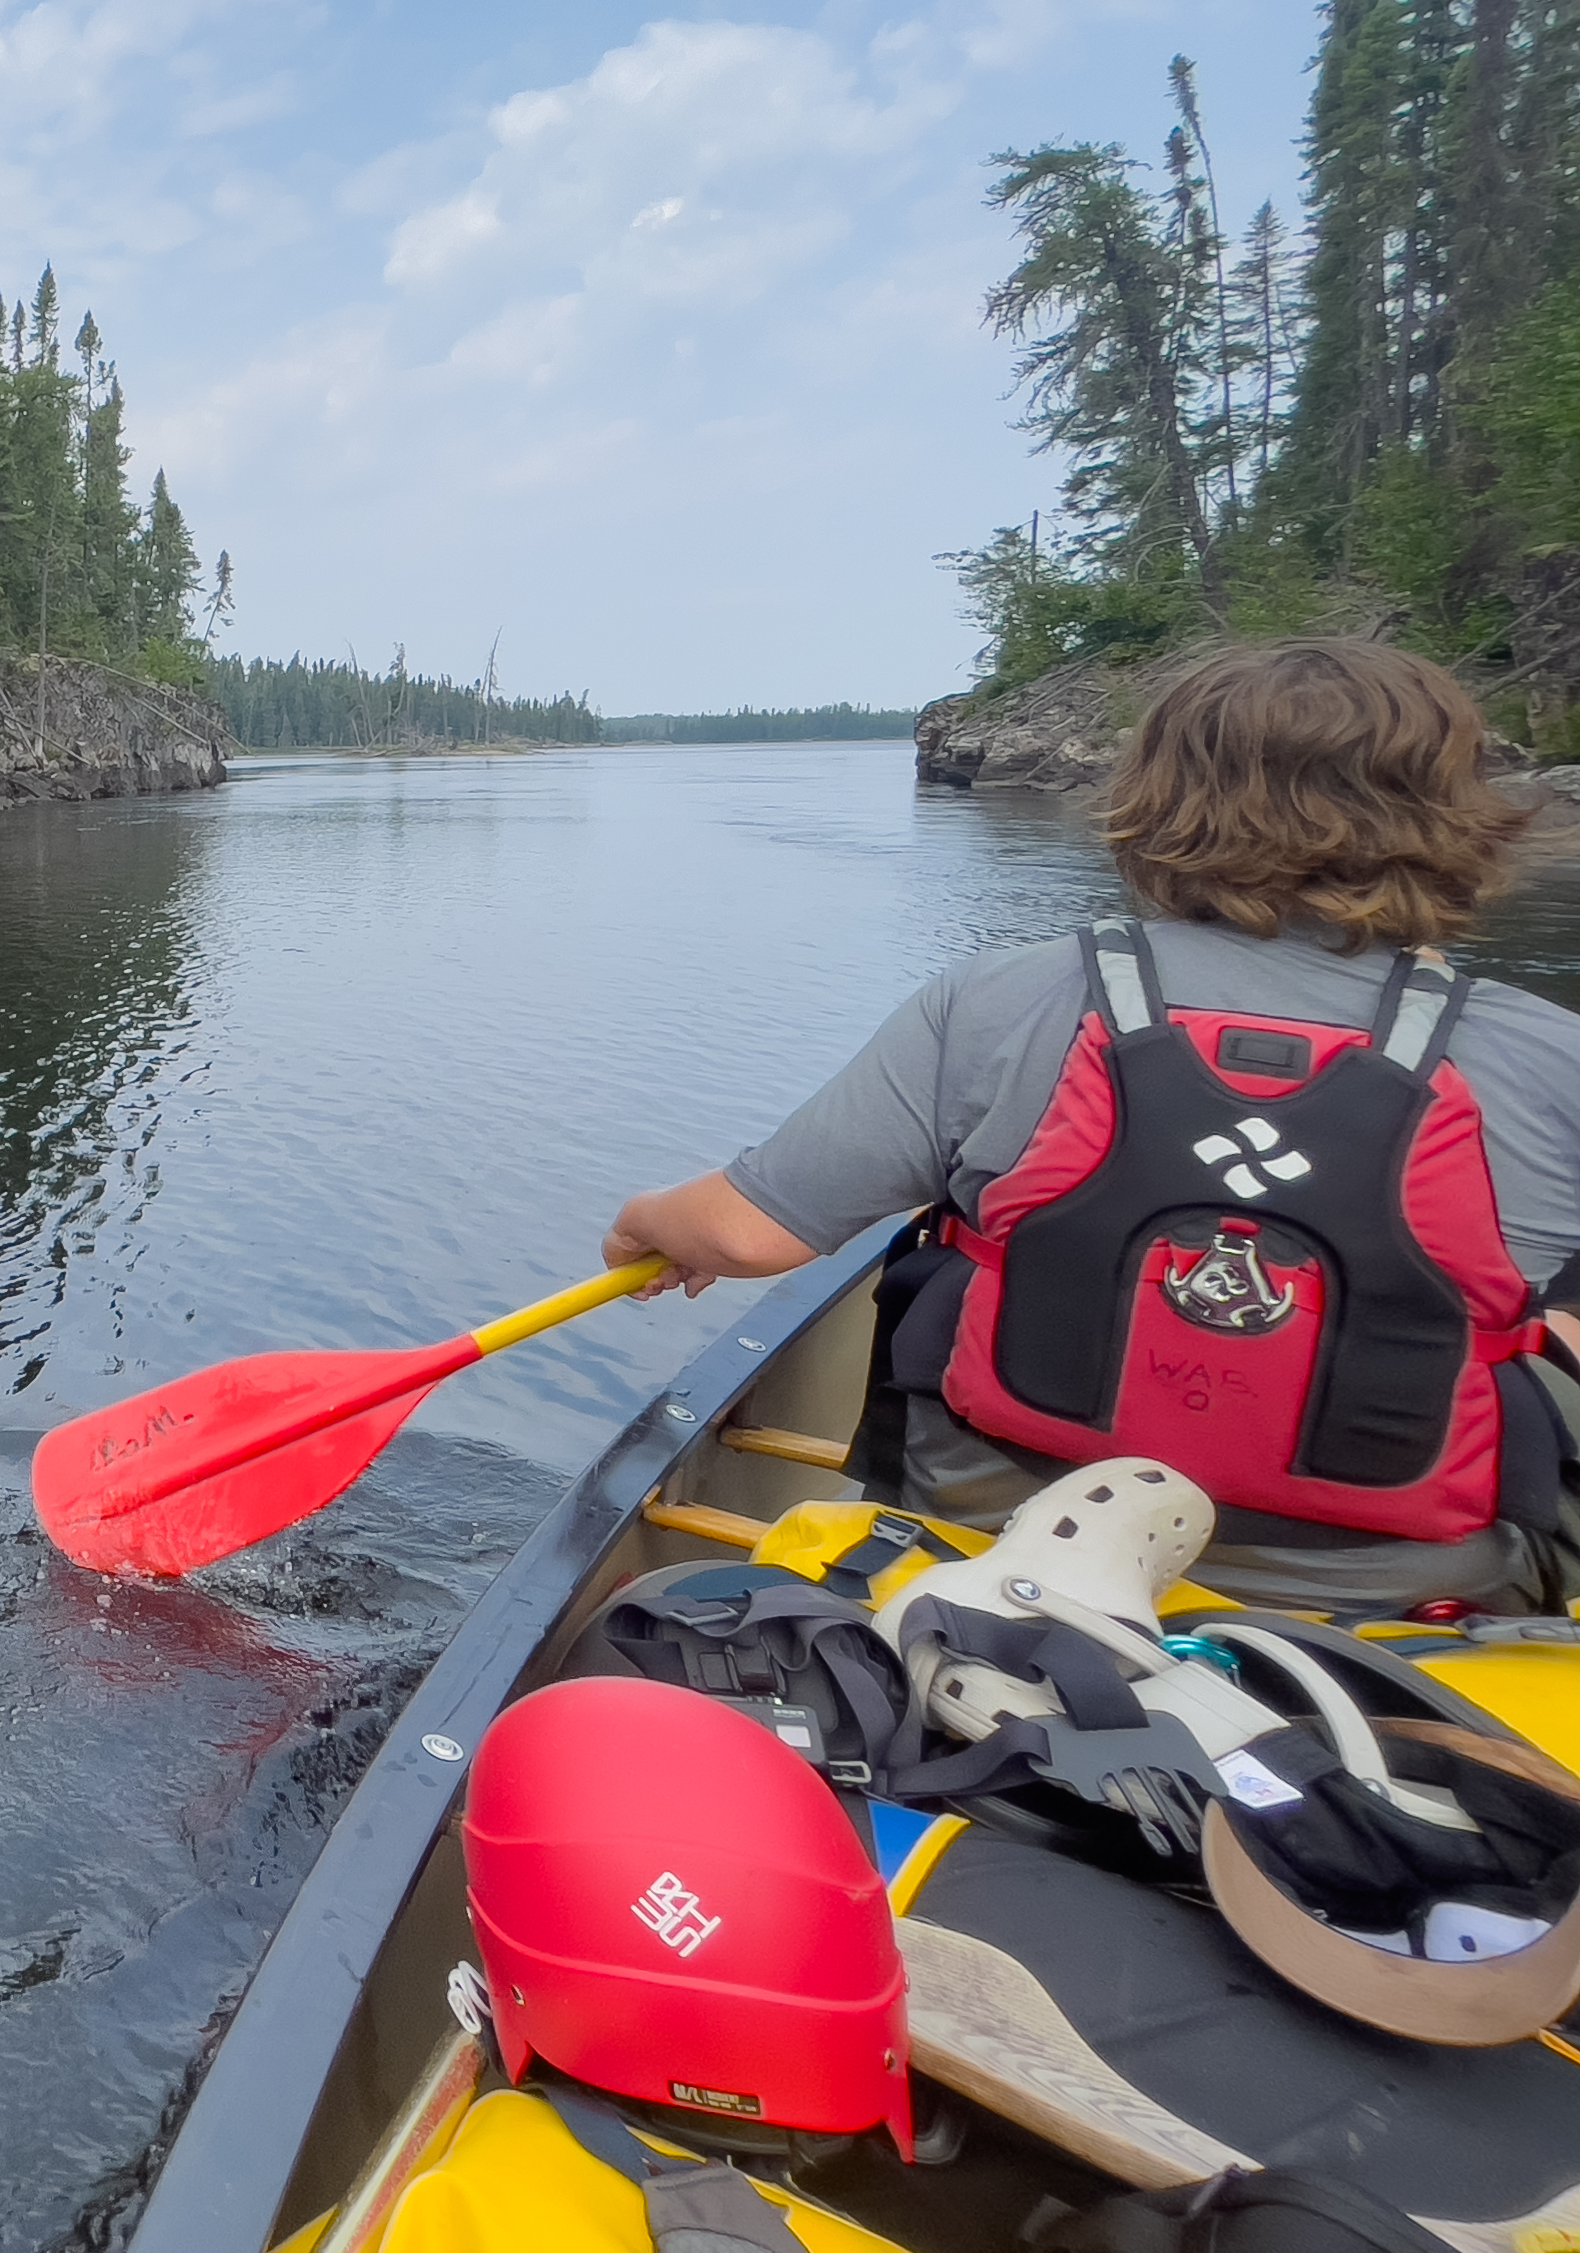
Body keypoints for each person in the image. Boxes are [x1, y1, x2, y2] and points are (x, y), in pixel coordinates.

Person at [598, 635, 1580, 1610]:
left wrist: (651, 1220)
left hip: (988, 1558)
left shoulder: (1004, 1000)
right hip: (1407, 1606)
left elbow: (743, 1233)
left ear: (1158, 797)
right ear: (1451, 811)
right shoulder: (1550, 1059)